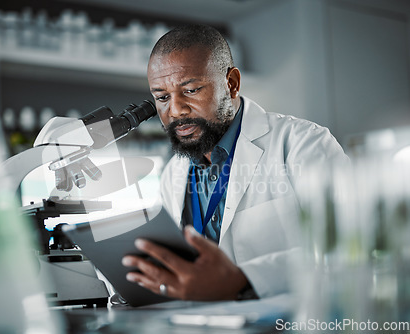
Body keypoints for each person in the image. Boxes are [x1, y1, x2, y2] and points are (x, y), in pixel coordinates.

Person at [121, 24, 348, 301]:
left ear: (232, 84)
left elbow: (348, 246)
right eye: (162, 97)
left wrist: (243, 279)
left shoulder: (303, 143)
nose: (176, 110)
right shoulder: (174, 173)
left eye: (191, 90)